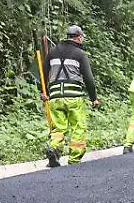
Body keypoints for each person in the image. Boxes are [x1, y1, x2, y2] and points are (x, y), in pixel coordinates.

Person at [42, 25, 99, 167]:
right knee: (78, 126)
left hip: (55, 96)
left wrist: (44, 92)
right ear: (79, 37)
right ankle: (74, 159)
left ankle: (54, 149)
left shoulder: (52, 52)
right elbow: (89, 78)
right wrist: (94, 98)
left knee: (58, 128)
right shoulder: (80, 54)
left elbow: (43, 73)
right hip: (73, 95)